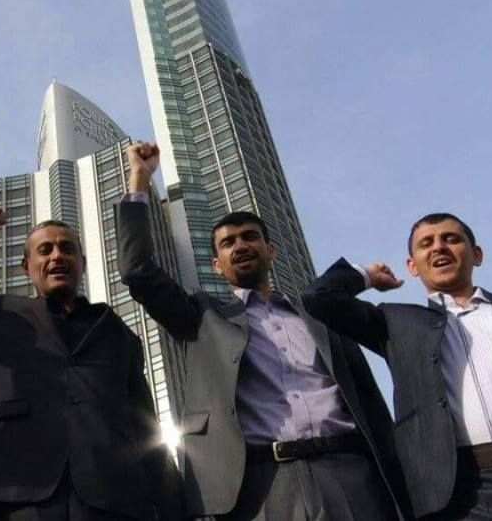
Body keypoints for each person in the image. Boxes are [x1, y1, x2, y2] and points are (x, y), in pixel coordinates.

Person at [116, 142, 408, 520]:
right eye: (228, 243)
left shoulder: (320, 316)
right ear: (217, 265)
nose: (240, 245)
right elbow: (137, 271)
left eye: (249, 236)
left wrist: (365, 275)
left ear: (270, 251)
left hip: (350, 475)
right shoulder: (202, 319)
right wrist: (140, 178)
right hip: (261, 486)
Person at [0, 199, 179, 520]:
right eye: (45, 250)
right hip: (14, 495)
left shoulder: (118, 333)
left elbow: (147, 428)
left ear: (82, 263)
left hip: (113, 501)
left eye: (67, 249)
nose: (57, 256)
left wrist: (175, 509)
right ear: (27, 267)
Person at [301, 213, 492, 519]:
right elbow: (318, 298)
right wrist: (367, 276)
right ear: (412, 266)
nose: (438, 247)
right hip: (474, 495)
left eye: (451, 239)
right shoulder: (396, 325)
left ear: (476, 255)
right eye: (426, 244)